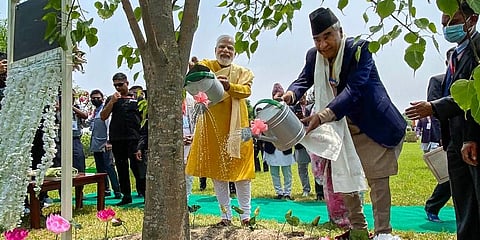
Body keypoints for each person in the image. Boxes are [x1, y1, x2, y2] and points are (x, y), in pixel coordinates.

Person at [280, 8, 406, 239]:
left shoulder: (360, 48)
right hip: (341, 130)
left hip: (372, 124)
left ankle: (383, 233)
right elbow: (304, 80)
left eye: (327, 36)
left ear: (340, 31)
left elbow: (354, 90)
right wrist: (290, 94)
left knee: (377, 180)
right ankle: (358, 230)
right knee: (344, 178)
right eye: (317, 39)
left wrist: (323, 115)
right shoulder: (313, 56)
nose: (322, 45)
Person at [405, 2, 480, 239]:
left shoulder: (478, 49)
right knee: (464, 204)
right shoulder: (453, 54)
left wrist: (471, 136)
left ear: (472, 20)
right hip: (455, 142)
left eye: (454, 21)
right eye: (444, 22)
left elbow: (473, 97)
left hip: (473, 141)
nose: (447, 27)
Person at [185, 34, 255, 226]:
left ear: (235, 52)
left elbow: (246, 91)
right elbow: (197, 72)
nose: (225, 50)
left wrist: (228, 86)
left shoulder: (243, 72)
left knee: (243, 172)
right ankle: (225, 216)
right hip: (212, 126)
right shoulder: (208, 65)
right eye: (221, 47)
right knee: (218, 173)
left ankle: (246, 216)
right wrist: (193, 67)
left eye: (229, 48)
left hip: (239, 127)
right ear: (215, 50)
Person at [101, 72, 146, 206]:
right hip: (117, 139)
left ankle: (144, 194)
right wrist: (113, 102)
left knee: (138, 168)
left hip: (134, 139)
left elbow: (144, 118)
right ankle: (126, 196)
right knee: (121, 169)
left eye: (120, 85)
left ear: (127, 83)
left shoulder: (137, 99)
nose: (118, 88)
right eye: (115, 85)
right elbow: (103, 116)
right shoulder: (111, 98)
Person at [263, 83, 295, 200]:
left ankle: (287, 192)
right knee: (274, 172)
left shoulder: (287, 109)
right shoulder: (267, 108)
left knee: (287, 172)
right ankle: (279, 192)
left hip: (285, 146)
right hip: (271, 146)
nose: (276, 96)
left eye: (279, 94)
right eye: (274, 94)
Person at [88, 89, 122, 199]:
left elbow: (109, 126)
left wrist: (108, 141)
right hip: (96, 145)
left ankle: (117, 191)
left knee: (109, 167)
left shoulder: (105, 110)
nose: (95, 100)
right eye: (93, 98)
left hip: (105, 144)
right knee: (100, 169)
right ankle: (105, 190)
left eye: (97, 98)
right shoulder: (95, 111)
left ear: (102, 98)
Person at [292, 94, 313, 197]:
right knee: (302, 168)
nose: (301, 97)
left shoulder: (312, 106)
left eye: (303, 95)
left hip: (313, 141)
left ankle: (320, 191)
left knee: (317, 167)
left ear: (306, 94)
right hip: (300, 143)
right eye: (299, 95)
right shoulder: (293, 109)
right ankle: (306, 189)